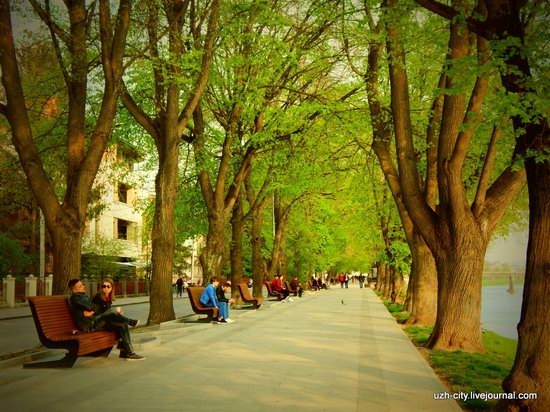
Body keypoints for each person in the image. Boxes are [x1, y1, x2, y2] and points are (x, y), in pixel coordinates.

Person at [67, 279, 144, 361]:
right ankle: (130, 321)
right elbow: (92, 307)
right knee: (113, 311)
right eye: (80, 286)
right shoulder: (75, 298)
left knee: (122, 324)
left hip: (95, 321)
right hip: (90, 325)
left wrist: (91, 311)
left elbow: (93, 308)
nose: (83, 286)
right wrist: (90, 311)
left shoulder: (84, 296)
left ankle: (127, 352)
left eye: (82, 284)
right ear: (74, 290)